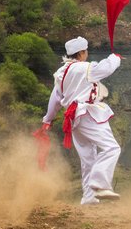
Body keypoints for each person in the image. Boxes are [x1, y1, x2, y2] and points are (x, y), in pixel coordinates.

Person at [42, 36, 122, 205]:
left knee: (88, 158)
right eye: (86, 51)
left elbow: (55, 99)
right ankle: (100, 184)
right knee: (111, 148)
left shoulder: (61, 74)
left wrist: (48, 119)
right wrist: (114, 58)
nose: (87, 54)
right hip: (87, 114)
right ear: (81, 53)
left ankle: (89, 198)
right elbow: (105, 69)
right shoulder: (85, 68)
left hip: (74, 120)